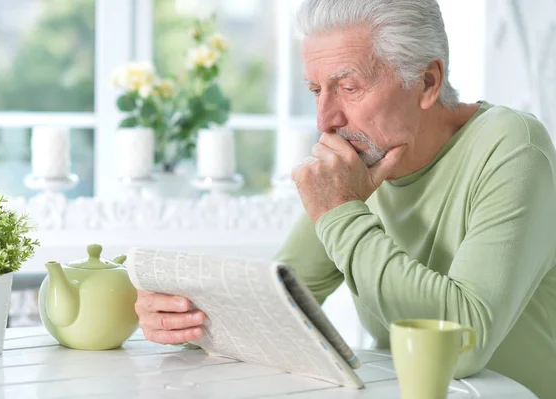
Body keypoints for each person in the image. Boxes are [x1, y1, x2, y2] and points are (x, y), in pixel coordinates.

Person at [134, 0, 556, 396]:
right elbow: (278, 311)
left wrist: (340, 211)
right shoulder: (361, 159)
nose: (325, 120)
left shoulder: (513, 144)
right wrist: (183, 320)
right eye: (317, 90)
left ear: (427, 81)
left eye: (349, 87)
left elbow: (463, 343)